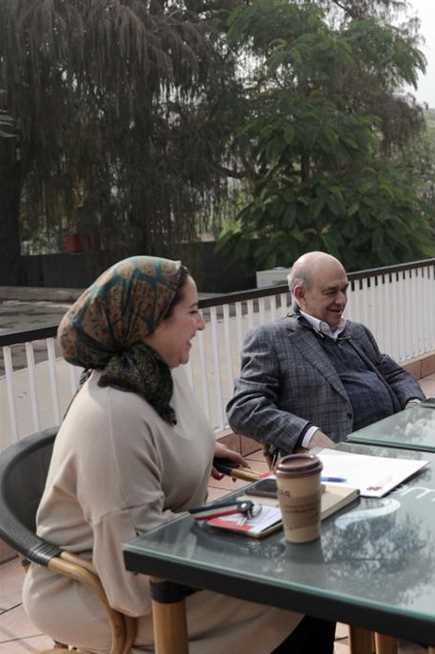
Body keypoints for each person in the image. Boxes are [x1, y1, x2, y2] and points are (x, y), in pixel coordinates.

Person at [22, 256, 333, 653]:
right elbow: (133, 578)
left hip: (169, 553)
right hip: (101, 588)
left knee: (307, 580)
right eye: (192, 311)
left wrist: (202, 451)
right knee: (299, 594)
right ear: (151, 322)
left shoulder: (160, 375)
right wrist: (233, 549)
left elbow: (167, 435)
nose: (201, 323)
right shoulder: (114, 416)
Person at [227, 252, 424, 458]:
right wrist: (307, 435)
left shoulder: (357, 332)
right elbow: (243, 409)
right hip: (333, 459)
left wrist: (414, 405)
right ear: (300, 293)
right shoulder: (271, 338)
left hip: (393, 445)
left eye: (344, 289)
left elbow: (395, 375)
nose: (342, 300)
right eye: (331, 292)